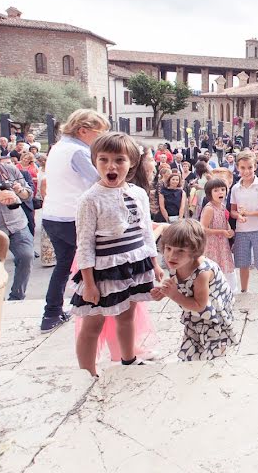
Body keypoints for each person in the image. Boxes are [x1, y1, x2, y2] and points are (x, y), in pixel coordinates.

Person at [69, 132, 161, 377]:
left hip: (133, 265)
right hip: (104, 271)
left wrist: (154, 263)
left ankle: (128, 358)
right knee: (93, 324)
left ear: (131, 162)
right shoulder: (89, 200)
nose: (111, 166)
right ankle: (87, 372)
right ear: (95, 162)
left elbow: (146, 232)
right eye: (104, 159)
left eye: (119, 160)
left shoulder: (138, 194)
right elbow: (85, 244)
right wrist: (89, 283)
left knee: (127, 315)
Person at [40, 109, 109, 333]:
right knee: (95, 262)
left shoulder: (58, 147)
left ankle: (51, 314)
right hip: (72, 217)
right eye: (100, 134)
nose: (102, 139)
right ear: (83, 131)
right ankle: (95, 309)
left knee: (63, 265)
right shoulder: (78, 151)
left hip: (52, 215)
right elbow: (99, 180)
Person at [152, 220, 236, 360]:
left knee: (211, 357)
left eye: (180, 251)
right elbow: (181, 284)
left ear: (195, 251)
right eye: (168, 249)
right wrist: (165, 292)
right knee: (193, 354)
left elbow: (199, 305)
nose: (172, 256)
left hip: (212, 320)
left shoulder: (202, 273)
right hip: (195, 319)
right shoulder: (177, 263)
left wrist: (173, 294)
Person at [0, 141, 35, 300]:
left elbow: (29, 194)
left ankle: (17, 296)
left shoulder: (11, 169)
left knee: (26, 256)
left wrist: (20, 190)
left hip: (17, 223)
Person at [230, 151, 258, 292]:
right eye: (243, 168)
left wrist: (249, 213)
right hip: (242, 231)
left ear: (255, 166)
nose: (246, 171)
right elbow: (233, 211)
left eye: (250, 167)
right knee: (243, 264)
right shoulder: (235, 188)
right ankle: (244, 291)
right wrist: (239, 216)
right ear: (237, 168)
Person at [200, 178, 237, 292]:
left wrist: (230, 231)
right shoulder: (209, 208)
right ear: (209, 193)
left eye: (222, 189)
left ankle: (228, 292)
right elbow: (202, 228)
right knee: (213, 269)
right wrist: (221, 232)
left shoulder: (222, 207)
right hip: (211, 244)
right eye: (216, 190)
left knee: (226, 269)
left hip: (222, 243)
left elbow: (225, 223)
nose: (220, 192)